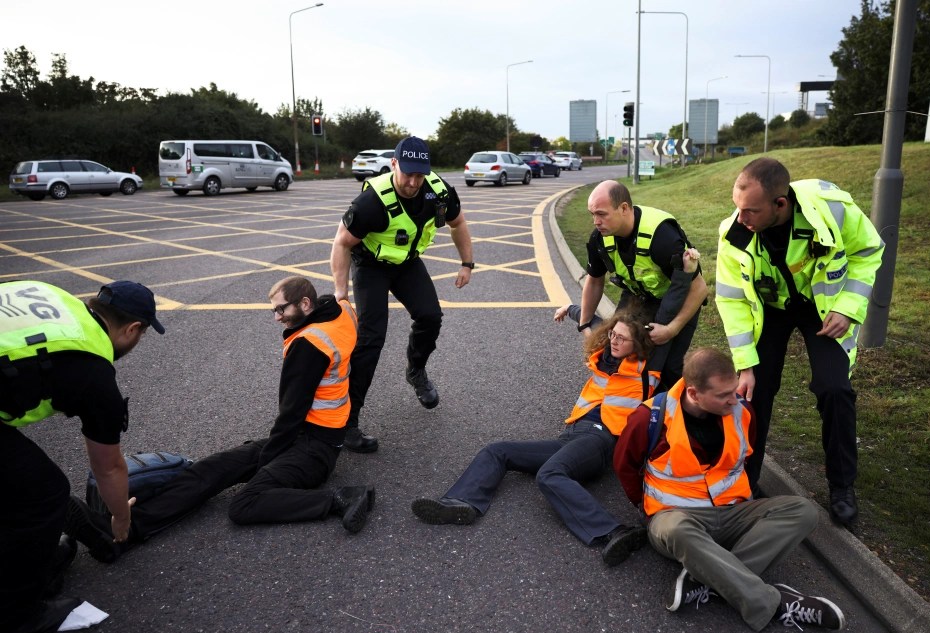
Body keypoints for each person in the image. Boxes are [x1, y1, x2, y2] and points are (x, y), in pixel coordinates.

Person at [64, 276, 375, 566]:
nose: (277, 317)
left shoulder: (308, 345)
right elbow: (359, 355)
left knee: (244, 504)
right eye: (275, 309)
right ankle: (126, 531)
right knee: (213, 468)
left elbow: (290, 415)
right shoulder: (339, 311)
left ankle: (340, 498)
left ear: (307, 305)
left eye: (282, 309)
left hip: (315, 449)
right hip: (308, 435)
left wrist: (267, 460)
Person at [613, 347, 846, 632]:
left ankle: (706, 580)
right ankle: (772, 603)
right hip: (676, 519)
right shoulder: (649, 418)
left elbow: (744, 461)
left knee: (803, 510)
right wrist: (645, 507)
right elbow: (624, 465)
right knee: (676, 529)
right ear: (695, 394)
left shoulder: (743, 411)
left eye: (733, 390)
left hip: (732, 513)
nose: (733, 399)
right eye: (723, 395)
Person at [411, 309, 657, 567]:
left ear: (637, 345)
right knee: (498, 450)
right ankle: (461, 502)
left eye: (622, 338)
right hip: (571, 436)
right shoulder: (602, 357)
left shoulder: (644, 370)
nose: (614, 341)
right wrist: (570, 309)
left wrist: (671, 323)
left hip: (601, 441)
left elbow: (671, 341)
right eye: (613, 335)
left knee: (550, 474)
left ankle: (614, 531)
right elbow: (591, 319)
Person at [715, 157, 884, 525]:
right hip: (770, 309)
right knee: (752, 391)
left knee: (835, 389)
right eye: (738, 207)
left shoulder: (833, 211)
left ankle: (841, 486)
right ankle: (746, 479)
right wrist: (745, 363)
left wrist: (848, 307)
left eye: (751, 211)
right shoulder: (735, 233)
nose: (741, 218)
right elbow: (730, 298)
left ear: (781, 203)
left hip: (822, 308)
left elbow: (869, 250)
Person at [1, 279, 163, 633]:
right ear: (132, 329)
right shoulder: (91, 368)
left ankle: (26, 560)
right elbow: (108, 466)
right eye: (142, 335)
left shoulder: (53, 295)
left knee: (14, 480)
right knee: (43, 495)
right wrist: (121, 518)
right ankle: (16, 614)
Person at [331, 136, 474, 453]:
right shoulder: (372, 203)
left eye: (419, 175)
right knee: (371, 338)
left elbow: (457, 222)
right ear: (394, 164)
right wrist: (341, 292)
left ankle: (416, 370)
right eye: (407, 173)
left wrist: (466, 263)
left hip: (407, 263)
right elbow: (342, 242)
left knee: (431, 317)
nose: (412, 182)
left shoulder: (437, 192)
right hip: (370, 265)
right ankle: (347, 423)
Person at [577, 180, 708, 390]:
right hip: (636, 296)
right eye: (592, 214)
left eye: (601, 214)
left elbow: (699, 288)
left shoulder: (662, 237)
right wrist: (584, 323)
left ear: (624, 208)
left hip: (676, 300)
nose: (596, 221)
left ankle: (667, 415)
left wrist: (671, 329)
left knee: (669, 368)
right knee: (617, 353)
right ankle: (619, 405)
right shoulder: (600, 238)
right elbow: (594, 279)